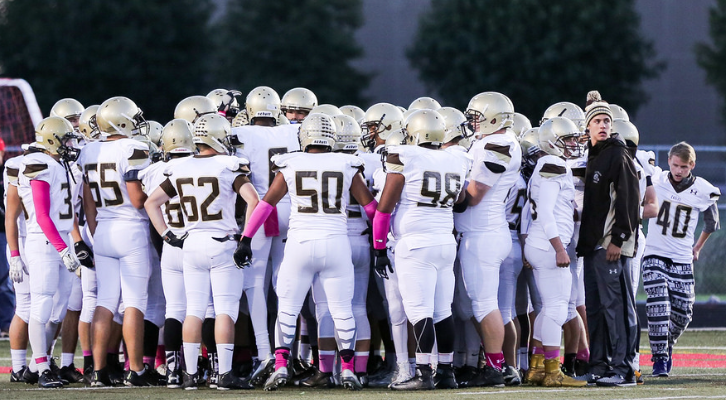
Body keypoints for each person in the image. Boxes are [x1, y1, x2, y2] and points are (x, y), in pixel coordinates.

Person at [234, 113, 377, 391]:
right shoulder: (346, 163)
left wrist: (246, 238)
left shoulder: (291, 162)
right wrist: (382, 240)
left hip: (299, 244)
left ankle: (281, 366)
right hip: (336, 243)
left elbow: (266, 204)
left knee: (287, 309)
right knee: (342, 310)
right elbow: (371, 208)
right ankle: (347, 370)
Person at [145, 113, 260, 390]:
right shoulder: (228, 165)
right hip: (221, 241)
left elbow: (151, 203)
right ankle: (225, 375)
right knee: (224, 311)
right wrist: (246, 239)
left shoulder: (181, 166)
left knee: (193, 310)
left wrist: (167, 235)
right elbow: (253, 200)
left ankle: (189, 375)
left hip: (191, 242)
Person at [373, 109, 470, 390]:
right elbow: (461, 200)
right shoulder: (456, 157)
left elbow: (384, 209)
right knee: (442, 311)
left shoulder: (407, 157)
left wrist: (379, 247)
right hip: (444, 240)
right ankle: (446, 373)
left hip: (415, 243)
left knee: (419, 311)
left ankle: (424, 373)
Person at [576, 91, 640, 387]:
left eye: (606, 120)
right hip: (592, 246)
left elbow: (629, 199)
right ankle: (599, 364)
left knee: (616, 307)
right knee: (596, 307)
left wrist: (619, 239)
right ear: (587, 126)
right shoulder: (593, 154)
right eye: (597, 121)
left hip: (610, 245)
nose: (602, 125)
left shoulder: (617, 153)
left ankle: (623, 368)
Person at [642, 142, 719, 377]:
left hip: (682, 257)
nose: (678, 170)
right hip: (654, 252)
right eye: (675, 165)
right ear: (668, 162)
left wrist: (697, 247)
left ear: (692, 165)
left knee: (683, 312)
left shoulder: (704, 190)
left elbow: (712, 223)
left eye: (683, 167)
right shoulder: (657, 179)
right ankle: (660, 360)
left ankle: (665, 345)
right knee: (658, 307)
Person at [16, 116, 82, 388]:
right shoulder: (41, 164)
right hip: (45, 242)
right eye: (66, 139)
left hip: (61, 239)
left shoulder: (61, 164)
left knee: (58, 309)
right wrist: (62, 248)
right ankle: (43, 367)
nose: (70, 144)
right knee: (41, 304)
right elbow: (42, 215)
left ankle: (33, 367)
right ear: (53, 140)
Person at [522, 117, 585, 387]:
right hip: (548, 245)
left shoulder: (548, 164)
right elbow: (546, 211)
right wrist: (559, 248)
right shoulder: (554, 163)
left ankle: (537, 367)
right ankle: (552, 371)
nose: (573, 143)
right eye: (567, 138)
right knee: (557, 309)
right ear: (552, 141)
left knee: (549, 308)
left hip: (540, 242)